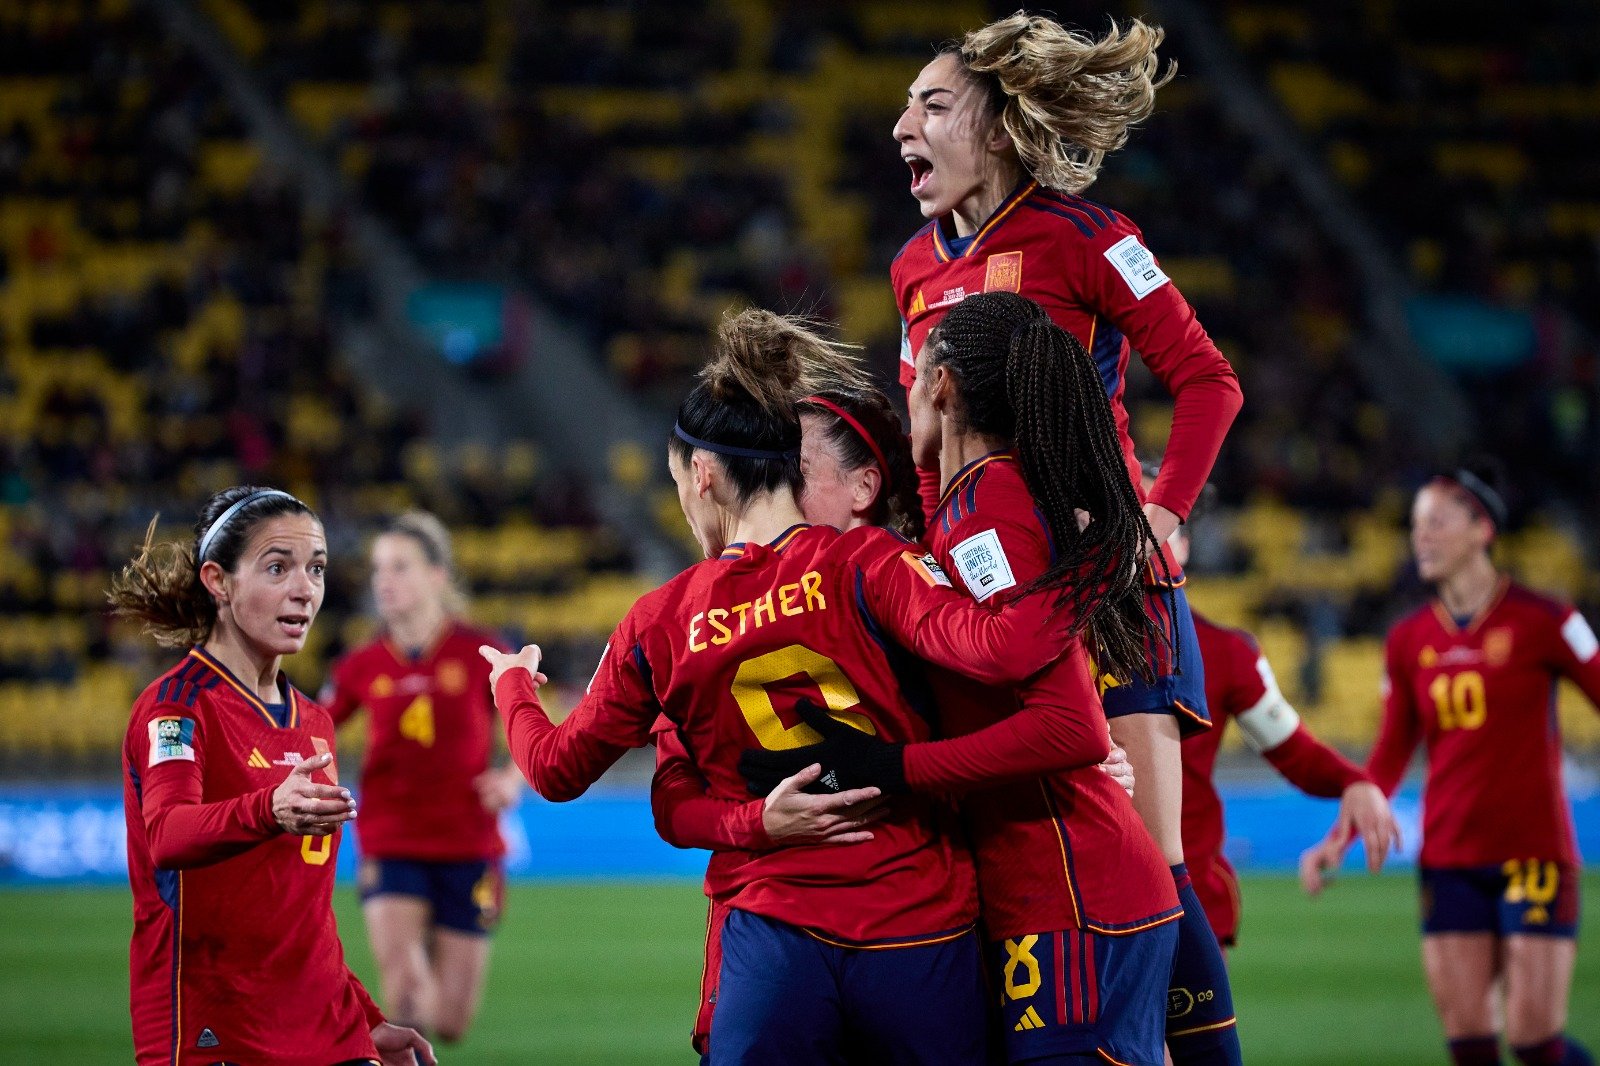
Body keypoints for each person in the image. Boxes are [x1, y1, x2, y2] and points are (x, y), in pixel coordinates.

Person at [482, 308, 1121, 1065]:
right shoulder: (876, 564)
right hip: (917, 924)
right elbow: (992, 652)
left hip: (773, 940)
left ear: (706, 475)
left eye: (678, 480)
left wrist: (514, 687)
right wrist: (1092, 555)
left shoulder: (661, 620)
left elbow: (556, 768)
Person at [889, 16, 1244, 1063]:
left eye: (932, 105)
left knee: (1151, 860)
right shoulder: (913, 267)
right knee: (1015, 864)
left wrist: (1160, 516)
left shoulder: (1089, 237)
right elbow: (923, 444)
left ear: (998, 131)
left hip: (1103, 590)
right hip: (991, 603)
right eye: (905, 106)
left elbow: (1208, 380)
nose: (902, 125)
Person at [654, 381, 1140, 1058]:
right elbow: (676, 795)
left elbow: (1039, 716)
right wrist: (753, 824)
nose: (774, 487)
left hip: (927, 928)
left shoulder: (916, 585)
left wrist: (1068, 763)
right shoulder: (712, 615)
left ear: (863, 489)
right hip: (789, 942)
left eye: (794, 471)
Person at [108, 485, 435, 1066]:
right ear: (219, 582)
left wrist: (365, 1017)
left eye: (316, 568)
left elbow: (303, 913)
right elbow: (167, 835)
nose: (305, 589)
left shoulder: (314, 721)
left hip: (328, 1032)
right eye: (277, 567)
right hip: (214, 1032)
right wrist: (267, 809)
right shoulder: (177, 708)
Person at [1301, 470, 1600, 1066]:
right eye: (1415, 526)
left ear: (1481, 528)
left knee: (1534, 1040)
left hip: (1533, 852)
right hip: (1449, 857)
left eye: (1436, 521)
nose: (1422, 538)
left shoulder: (1547, 620)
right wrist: (1342, 836)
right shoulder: (1408, 639)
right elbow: (1389, 752)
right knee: (1469, 1045)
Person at [1148, 466, 1398, 956]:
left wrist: (1354, 780)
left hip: (1189, 896)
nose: (1150, 539)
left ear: (1186, 546)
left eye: (1165, 525)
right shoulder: (1069, 641)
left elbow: (1292, 751)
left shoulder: (1226, 652)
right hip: (1091, 896)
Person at [320, 511, 519, 1044]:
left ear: (437, 575)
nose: (384, 581)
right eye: (379, 569)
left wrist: (510, 779)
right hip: (392, 839)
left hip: (469, 841)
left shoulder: (482, 652)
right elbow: (313, 732)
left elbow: (528, 726)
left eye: (400, 567)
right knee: (405, 999)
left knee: (450, 1023)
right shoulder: (360, 665)